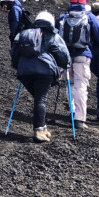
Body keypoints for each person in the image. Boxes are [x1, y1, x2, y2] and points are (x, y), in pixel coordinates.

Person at [11, 11, 71, 142]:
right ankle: (39, 131)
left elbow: (14, 53)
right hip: (44, 72)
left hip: (24, 72)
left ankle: (42, 127)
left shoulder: (22, 34)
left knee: (39, 99)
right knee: (41, 100)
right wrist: (65, 65)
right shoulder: (52, 35)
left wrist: (18, 66)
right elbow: (63, 55)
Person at [56, 0, 99, 129]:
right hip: (83, 55)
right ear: (84, 4)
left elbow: (55, 33)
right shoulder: (89, 17)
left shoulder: (63, 17)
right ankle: (79, 119)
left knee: (70, 83)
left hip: (65, 55)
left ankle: (72, 111)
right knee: (81, 86)